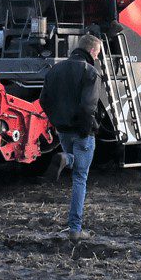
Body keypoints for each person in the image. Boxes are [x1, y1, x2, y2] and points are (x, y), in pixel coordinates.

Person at [40, 33, 102, 241]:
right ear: (92, 51)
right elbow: (88, 106)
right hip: (81, 132)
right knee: (80, 179)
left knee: (76, 172)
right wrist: (86, 129)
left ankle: (67, 158)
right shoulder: (90, 72)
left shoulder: (55, 69)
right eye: (98, 53)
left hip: (63, 130)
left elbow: (43, 100)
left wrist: (56, 121)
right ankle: (75, 229)